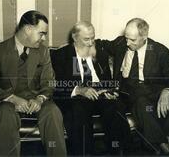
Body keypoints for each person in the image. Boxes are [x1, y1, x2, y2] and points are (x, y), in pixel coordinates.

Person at [0, 10, 66, 156]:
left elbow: (49, 82)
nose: (43, 38)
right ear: (28, 29)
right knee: (6, 114)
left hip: (36, 100)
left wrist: (40, 99)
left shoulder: (43, 51)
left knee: (53, 112)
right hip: (6, 103)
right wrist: (12, 99)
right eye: (41, 33)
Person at [97, 18, 169, 155]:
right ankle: (164, 147)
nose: (127, 43)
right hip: (128, 90)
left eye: (132, 40)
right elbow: (98, 43)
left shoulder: (159, 51)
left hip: (153, 91)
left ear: (144, 37)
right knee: (141, 101)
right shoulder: (120, 43)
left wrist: (166, 91)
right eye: (126, 38)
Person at [51, 21, 131, 156]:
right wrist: (80, 90)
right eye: (86, 39)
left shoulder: (99, 50)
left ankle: (118, 151)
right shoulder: (61, 55)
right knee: (78, 110)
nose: (90, 43)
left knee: (115, 107)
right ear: (75, 38)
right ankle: (84, 153)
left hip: (100, 92)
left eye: (93, 38)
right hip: (78, 95)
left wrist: (109, 90)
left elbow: (107, 77)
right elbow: (57, 84)